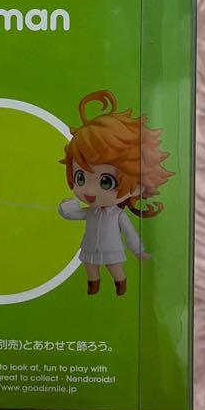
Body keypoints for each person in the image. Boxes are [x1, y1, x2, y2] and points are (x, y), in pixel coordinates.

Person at [59, 90, 172, 296]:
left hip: (111, 248)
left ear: (138, 185)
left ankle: (120, 283)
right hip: (90, 247)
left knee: (114, 266)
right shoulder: (91, 212)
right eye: (80, 178)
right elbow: (72, 214)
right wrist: (66, 207)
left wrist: (138, 250)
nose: (89, 191)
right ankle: (93, 285)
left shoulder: (118, 214)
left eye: (106, 181)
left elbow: (129, 233)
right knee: (89, 265)